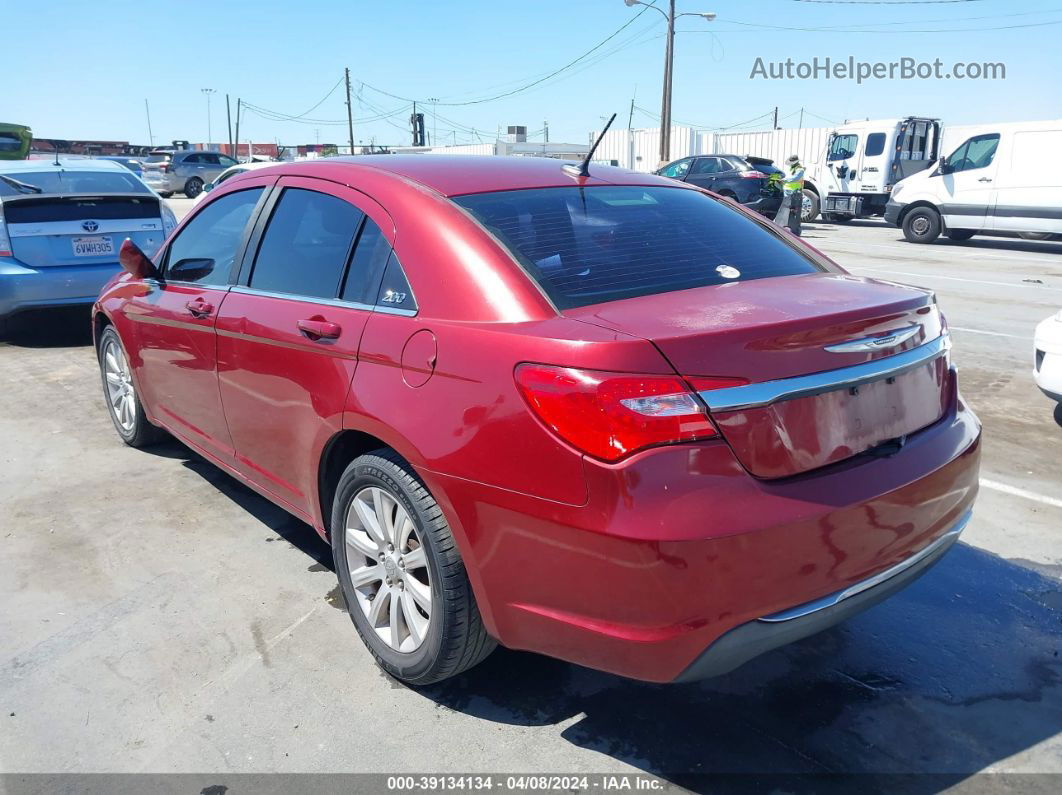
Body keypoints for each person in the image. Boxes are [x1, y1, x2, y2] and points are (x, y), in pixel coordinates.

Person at [772, 154, 806, 236]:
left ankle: (791, 228)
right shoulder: (793, 169)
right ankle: (786, 226)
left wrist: (783, 180)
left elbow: (794, 179)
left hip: (794, 192)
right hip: (788, 191)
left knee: (790, 210)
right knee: (786, 210)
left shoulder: (799, 170)